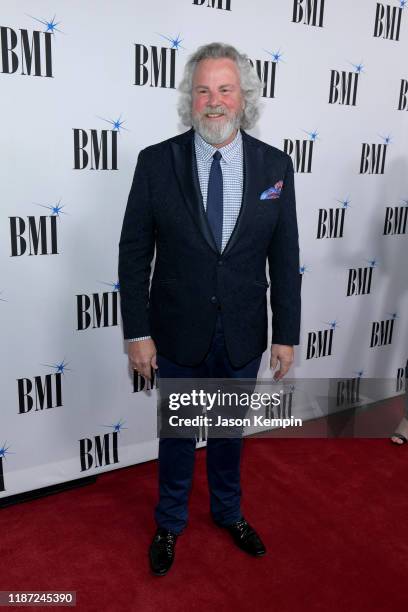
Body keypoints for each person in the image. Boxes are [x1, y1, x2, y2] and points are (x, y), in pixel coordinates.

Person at [118, 42, 301, 576]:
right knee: (177, 437)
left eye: (224, 90)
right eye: (203, 90)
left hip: (243, 330)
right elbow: (133, 253)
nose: (213, 102)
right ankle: (170, 522)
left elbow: (285, 257)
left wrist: (285, 333)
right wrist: (138, 333)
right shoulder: (157, 162)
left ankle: (228, 512)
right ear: (189, 99)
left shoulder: (276, 166)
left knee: (227, 433)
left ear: (244, 98)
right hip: (177, 330)